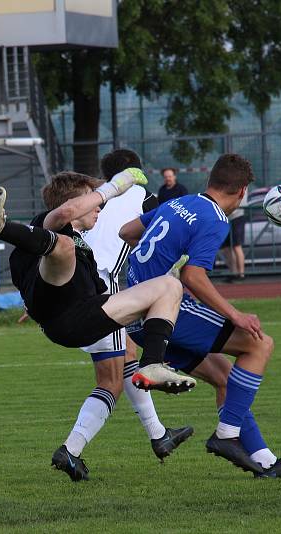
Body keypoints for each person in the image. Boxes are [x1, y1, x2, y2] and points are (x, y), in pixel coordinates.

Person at [0, 168, 195, 482]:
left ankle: (153, 365)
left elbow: (97, 296)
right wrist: (115, 186)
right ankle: (0, 227)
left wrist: (143, 307)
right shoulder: (50, 222)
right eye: (93, 203)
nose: (100, 209)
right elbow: (63, 213)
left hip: (79, 317)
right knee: (62, 246)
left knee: (169, 287)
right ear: (78, 204)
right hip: (63, 315)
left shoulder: (80, 245)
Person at [121, 154, 281, 476]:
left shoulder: (178, 203)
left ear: (210, 180)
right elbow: (194, 276)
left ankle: (265, 461)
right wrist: (236, 315)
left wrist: (164, 264)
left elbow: (126, 232)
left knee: (224, 378)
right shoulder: (215, 218)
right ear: (242, 191)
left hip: (137, 315)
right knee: (258, 344)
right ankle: (225, 436)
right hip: (164, 312)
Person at [73, 149, 195, 468]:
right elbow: (157, 241)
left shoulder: (94, 198)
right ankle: (70, 451)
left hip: (76, 280)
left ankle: (159, 435)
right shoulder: (145, 197)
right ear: (136, 172)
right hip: (102, 286)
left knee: (125, 356)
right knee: (110, 381)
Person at [221, 193, 248, 280]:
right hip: (226, 217)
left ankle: (241, 274)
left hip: (237, 216)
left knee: (237, 246)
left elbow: (240, 200)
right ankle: (234, 272)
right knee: (225, 247)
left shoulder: (241, 182)